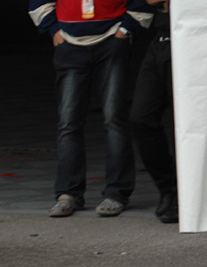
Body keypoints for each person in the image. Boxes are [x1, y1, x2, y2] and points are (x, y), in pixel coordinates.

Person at [29, 0, 154, 218]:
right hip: (70, 43)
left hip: (111, 40)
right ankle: (68, 193)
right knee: (69, 122)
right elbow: (37, 2)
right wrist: (54, 30)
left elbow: (144, 1)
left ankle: (117, 193)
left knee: (114, 119)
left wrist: (125, 30)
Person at [131, 0, 177, 223]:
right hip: (160, 38)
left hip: (193, 35)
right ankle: (167, 188)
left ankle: (182, 193)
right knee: (141, 118)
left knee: (185, 123)